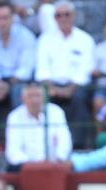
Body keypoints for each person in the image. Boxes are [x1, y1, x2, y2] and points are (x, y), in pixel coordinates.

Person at [34, 1, 95, 149]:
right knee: (37, 96)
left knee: (79, 98)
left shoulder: (85, 39)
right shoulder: (45, 40)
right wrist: (52, 87)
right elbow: (42, 69)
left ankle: (78, 146)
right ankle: (44, 145)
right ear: (54, 18)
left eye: (66, 14)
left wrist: (70, 89)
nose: (63, 18)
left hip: (76, 86)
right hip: (51, 85)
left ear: (74, 16)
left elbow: (85, 70)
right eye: (58, 15)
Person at [0, 1, 36, 151]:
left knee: (19, 92)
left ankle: (22, 141)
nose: (1, 22)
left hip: (18, 80)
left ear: (13, 18)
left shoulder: (26, 36)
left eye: (5, 18)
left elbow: (26, 69)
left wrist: (8, 84)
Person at [5, 82, 72, 169]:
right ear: (22, 99)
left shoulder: (56, 112)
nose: (34, 100)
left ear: (45, 97)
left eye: (38, 95)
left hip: (55, 165)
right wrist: (33, 165)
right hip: (26, 168)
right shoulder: (14, 116)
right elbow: (13, 150)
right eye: (30, 96)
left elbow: (65, 141)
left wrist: (58, 160)